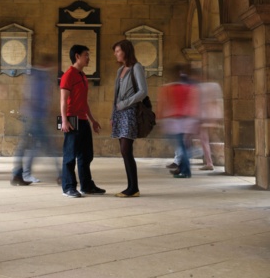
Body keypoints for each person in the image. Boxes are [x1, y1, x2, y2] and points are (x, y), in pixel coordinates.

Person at [60, 44, 104, 198]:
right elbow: (63, 101)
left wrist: (92, 120)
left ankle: (86, 185)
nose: (89, 58)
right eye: (86, 55)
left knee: (86, 155)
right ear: (77, 56)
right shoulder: (69, 75)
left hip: (83, 119)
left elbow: (84, 102)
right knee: (70, 156)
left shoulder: (82, 76)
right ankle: (68, 187)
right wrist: (64, 121)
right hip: (71, 118)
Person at [11, 54, 61, 186]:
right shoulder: (40, 76)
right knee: (49, 146)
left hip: (34, 115)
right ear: (49, 64)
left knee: (32, 146)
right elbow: (37, 97)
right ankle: (61, 175)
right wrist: (45, 109)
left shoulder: (35, 74)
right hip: (36, 116)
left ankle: (19, 174)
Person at [110, 39, 149, 197]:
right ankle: (132, 187)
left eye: (118, 51)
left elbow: (143, 91)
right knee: (124, 151)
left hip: (130, 112)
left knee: (126, 150)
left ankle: (133, 188)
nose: (116, 54)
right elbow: (115, 95)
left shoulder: (136, 67)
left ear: (126, 51)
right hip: (119, 113)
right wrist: (113, 114)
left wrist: (125, 103)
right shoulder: (120, 70)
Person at [157, 65, 199, 178]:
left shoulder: (168, 88)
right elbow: (193, 103)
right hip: (187, 119)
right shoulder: (189, 87)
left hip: (175, 121)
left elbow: (163, 105)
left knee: (181, 146)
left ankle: (185, 171)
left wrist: (160, 118)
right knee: (183, 146)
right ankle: (184, 168)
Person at [196, 75, 224, 171]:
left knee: (204, 140)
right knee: (212, 138)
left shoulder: (201, 87)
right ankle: (213, 160)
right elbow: (218, 101)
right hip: (213, 115)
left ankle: (209, 162)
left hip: (204, 116)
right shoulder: (215, 85)